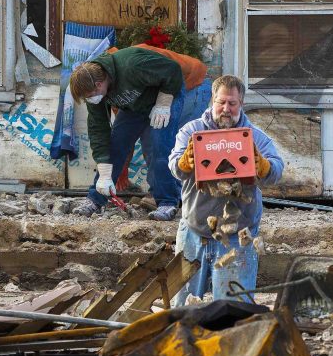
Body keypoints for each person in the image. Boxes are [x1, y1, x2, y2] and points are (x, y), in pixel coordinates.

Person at [168, 75, 284, 305]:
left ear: (241, 104)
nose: (226, 109)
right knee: (182, 308)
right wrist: (184, 162)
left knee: (235, 311)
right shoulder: (192, 132)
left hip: (238, 236)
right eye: (221, 102)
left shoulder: (255, 138)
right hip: (195, 231)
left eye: (232, 103)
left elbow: (277, 171)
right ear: (213, 100)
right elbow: (174, 167)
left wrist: (264, 165)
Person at [68, 45, 200, 221]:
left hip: (166, 92)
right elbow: (99, 131)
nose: (90, 99)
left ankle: (167, 202)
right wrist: (105, 173)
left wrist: (163, 102)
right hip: (136, 105)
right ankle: (95, 199)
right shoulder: (95, 94)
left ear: (99, 84)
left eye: (91, 95)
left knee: (159, 146)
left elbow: (173, 70)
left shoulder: (132, 64)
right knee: (116, 145)